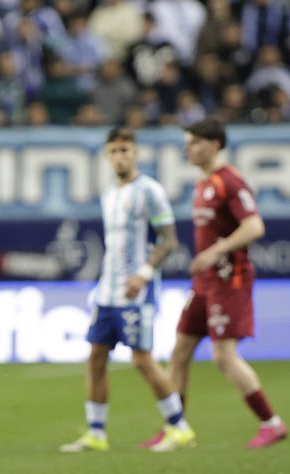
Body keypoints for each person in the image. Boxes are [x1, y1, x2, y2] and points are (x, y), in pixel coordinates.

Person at [60, 127, 194, 453]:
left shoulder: (150, 191)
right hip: (107, 291)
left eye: (125, 150)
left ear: (135, 153)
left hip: (137, 291)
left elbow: (169, 240)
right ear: (107, 156)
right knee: (95, 357)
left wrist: (143, 275)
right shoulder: (109, 194)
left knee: (142, 360)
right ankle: (96, 433)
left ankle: (179, 426)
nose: (120, 156)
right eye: (114, 151)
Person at [170, 117, 287, 449]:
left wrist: (215, 251)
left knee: (223, 356)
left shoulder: (230, 181)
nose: (189, 150)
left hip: (228, 279)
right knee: (180, 350)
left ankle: (271, 423)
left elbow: (254, 226)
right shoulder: (202, 184)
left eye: (195, 143)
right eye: (187, 143)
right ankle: (175, 427)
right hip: (204, 283)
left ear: (215, 145)